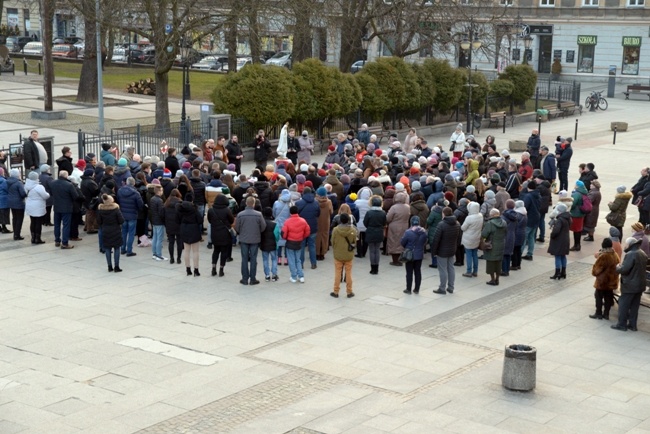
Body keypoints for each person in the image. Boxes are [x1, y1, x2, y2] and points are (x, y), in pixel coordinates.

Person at [611, 238, 648, 332]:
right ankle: (632, 325)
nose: (625, 246)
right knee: (635, 306)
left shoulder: (631, 254)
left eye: (626, 244)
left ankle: (621, 324)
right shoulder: (642, 253)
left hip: (630, 285)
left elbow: (624, 269)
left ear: (630, 245)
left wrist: (617, 267)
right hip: (639, 285)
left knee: (623, 304)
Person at [234, 196, 266, 285]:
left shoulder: (240, 214)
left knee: (244, 259)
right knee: (253, 258)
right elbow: (263, 227)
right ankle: (253, 278)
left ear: (246, 203)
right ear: (254, 204)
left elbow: (237, 227)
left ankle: (244, 278)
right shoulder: (259, 214)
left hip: (244, 239)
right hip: (255, 239)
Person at [431, 207, 460, 294]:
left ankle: (442, 288)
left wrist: (434, 251)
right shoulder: (457, 223)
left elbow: (436, 239)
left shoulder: (441, 224)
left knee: (442, 269)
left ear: (443, 214)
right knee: (451, 268)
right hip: (452, 249)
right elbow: (458, 237)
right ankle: (451, 287)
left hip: (442, 250)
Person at [330, 213, 358, 298]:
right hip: (348, 254)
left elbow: (332, 241)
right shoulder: (353, 230)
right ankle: (349, 291)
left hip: (338, 254)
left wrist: (336, 248)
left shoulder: (335, 230)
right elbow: (354, 242)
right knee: (348, 273)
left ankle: (336, 291)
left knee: (338, 272)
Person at [590, 238, 619, 320]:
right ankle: (606, 314)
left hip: (602, 282)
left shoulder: (603, 256)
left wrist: (594, 271)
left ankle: (598, 313)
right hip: (611, 281)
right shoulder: (615, 254)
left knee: (598, 296)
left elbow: (596, 270)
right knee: (608, 297)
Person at [49, 170, 79, 249]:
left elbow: (51, 193)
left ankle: (57, 240)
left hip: (57, 207)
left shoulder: (53, 183)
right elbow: (75, 196)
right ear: (66, 176)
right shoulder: (69, 185)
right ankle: (65, 243)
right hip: (67, 207)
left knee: (57, 224)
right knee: (66, 225)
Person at [281, 205, 311, 283]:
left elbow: (284, 234)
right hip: (299, 242)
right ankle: (301, 276)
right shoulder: (303, 220)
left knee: (291, 260)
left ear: (290, 212)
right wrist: (301, 237)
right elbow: (307, 231)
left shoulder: (287, 221)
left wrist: (286, 238)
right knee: (298, 260)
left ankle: (293, 276)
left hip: (290, 242)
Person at [207, 193, 235, 277]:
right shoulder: (227, 210)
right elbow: (231, 220)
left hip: (215, 233)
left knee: (216, 251)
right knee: (224, 252)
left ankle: (213, 267)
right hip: (225, 234)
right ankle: (221, 269)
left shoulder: (211, 210)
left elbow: (209, 220)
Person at [401, 215, 430, 294]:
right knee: (418, 272)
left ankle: (408, 289)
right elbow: (425, 242)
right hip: (419, 254)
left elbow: (402, 242)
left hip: (409, 254)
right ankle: (417, 289)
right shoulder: (424, 232)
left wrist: (407, 247)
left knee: (409, 272)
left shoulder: (408, 232)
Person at [97, 194, 124, 272]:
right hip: (116, 230)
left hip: (105, 230)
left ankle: (109, 266)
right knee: (117, 248)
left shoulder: (101, 210)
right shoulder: (116, 209)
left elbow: (99, 221)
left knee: (107, 249)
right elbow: (121, 220)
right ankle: (116, 266)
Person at [177, 195, 203, 277]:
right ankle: (196, 270)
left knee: (186, 250)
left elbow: (177, 219)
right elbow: (200, 220)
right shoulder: (194, 209)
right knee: (195, 251)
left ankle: (188, 269)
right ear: (192, 201)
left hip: (184, 229)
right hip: (194, 229)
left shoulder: (180, 209)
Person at [117, 177, 143, 257]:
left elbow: (118, 201)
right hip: (132, 215)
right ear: (134, 183)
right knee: (131, 233)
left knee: (123, 232)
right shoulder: (136, 193)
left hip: (123, 214)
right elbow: (140, 205)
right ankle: (129, 251)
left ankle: (123, 248)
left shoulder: (120, 191)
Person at [296, 187, 320, 269]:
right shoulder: (316, 202)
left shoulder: (298, 203)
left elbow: (296, 214)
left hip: (302, 227)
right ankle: (313, 263)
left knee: (302, 246)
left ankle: (301, 264)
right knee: (312, 245)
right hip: (312, 227)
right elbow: (318, 214)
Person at [481, 208, 507, 285]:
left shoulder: (490, 223)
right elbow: (506, 232)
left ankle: (492, 279)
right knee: (498, 262)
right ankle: (497, 279)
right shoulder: (504, 222)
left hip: (491, 245)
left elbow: (484, 234)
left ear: (491, 215)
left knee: (491, 262)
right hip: (501, 244)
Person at [24, 171, 49, 244]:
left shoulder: (26, 185)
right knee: (38, 222)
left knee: (32, 221)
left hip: (30, 205)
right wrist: (48, 194)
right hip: (38, 206)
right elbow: (45, 196)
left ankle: (33, 238)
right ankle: (38, 238)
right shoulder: (39, 187)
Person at [363, 196, 386, 275]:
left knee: (372, 250)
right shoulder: (383, 213)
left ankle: (372, 268)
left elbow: (365, 222)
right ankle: (377, 268)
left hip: (370, 232)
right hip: (379, 232)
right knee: (377, 250)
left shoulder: (369, 212)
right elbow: (384, 223)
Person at [386, 191, 411, 266]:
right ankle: (400, 259)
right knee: (402, 242)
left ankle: (395, 260)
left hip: (394, 226)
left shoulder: (394, 207)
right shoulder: (408, 207)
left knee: (393, 242)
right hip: (405, 226)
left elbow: (388, 218)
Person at [548, 202, 571, 279]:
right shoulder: (568, 218)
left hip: (559, 240)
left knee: (557, 256)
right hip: (565, 239)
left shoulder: (560, 220)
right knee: (563, 256)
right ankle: (563, 272)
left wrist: (552, 235)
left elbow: (556, 231)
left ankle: (557, 273)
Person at [461, 202, 483, 278]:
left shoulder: (469, 218)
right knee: (475, 254)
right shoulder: (480, 216)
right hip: (476, 237)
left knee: (468, 255)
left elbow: (463, 228)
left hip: (468, 238)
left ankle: (469, 271)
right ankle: (475, 271)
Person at [163, 189, 183, 264]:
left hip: (169, 225)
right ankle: (179, 258)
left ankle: (171, 258)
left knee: (171, 242)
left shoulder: (166, 203)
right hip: (178, 225)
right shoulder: (180, 203)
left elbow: (162, 214)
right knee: (179, 242)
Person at [569, 180, 589, 252]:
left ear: (577, 185)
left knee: (576, 230)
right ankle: (578, 245)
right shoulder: (584, 192)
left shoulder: (577, 193)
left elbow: (573, 204)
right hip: (581, 214)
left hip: (576, 214)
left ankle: (576, 245)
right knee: (579, 229)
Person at [6, 169, 26, 240]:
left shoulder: (7, 181)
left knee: (14, 218)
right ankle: (17, 235)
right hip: (18, 203)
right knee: (19, 219)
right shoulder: (18, 183)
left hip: (11, 202)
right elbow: (23, 193)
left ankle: (15, 233)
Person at [260, 207, 278, 282]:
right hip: (273, 244)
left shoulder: (262, 224)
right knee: (274, 259)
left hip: (264, 244)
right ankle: (274, 275)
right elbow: (277, 235)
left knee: (265, 260)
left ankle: (267, 275)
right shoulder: (274, 224)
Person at [315, 187, 333, 260]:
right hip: (326, 221)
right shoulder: (329, 202)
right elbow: (331, 212)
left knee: (317, 237)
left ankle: (317, 253)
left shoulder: (315, 201)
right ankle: (322, 253)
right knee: (325, 237)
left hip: (317, 221)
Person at [149, 183, 166, 261]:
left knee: (155, 237)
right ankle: (159, 254)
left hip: (154, 220)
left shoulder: (152, 199)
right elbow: (161, 212)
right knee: (159, 238)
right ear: (159, 191)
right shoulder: (159, 200)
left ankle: (154, 253)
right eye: (161, 190)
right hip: (159, 221)